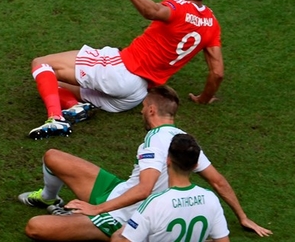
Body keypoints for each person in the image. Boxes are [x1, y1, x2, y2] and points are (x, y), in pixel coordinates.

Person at [17, 85, 272, 241]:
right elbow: (218, 181)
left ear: (151, 110)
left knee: (35, 227)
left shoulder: (153, 141)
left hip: (124, 215)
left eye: (143, 107)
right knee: (53, 156)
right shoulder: (184, 141)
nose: (140, 111)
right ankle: (49, 199)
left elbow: (144, 189)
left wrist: (97, 209)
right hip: (119, 191)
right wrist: (243, 217)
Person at [28, 0, 224, 139]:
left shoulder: (179, 6)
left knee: (41, 64)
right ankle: (75, 107)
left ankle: (56, 119)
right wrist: (203, 99)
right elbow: (217, 73)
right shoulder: (211, 22)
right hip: (135, 95)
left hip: (121, 71)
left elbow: (152, 11)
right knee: (49, 82)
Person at [111, 133, 230, 242]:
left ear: (168, 160)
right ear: (195, 166)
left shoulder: (155, 203)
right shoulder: (211, 199)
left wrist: (118, 235)